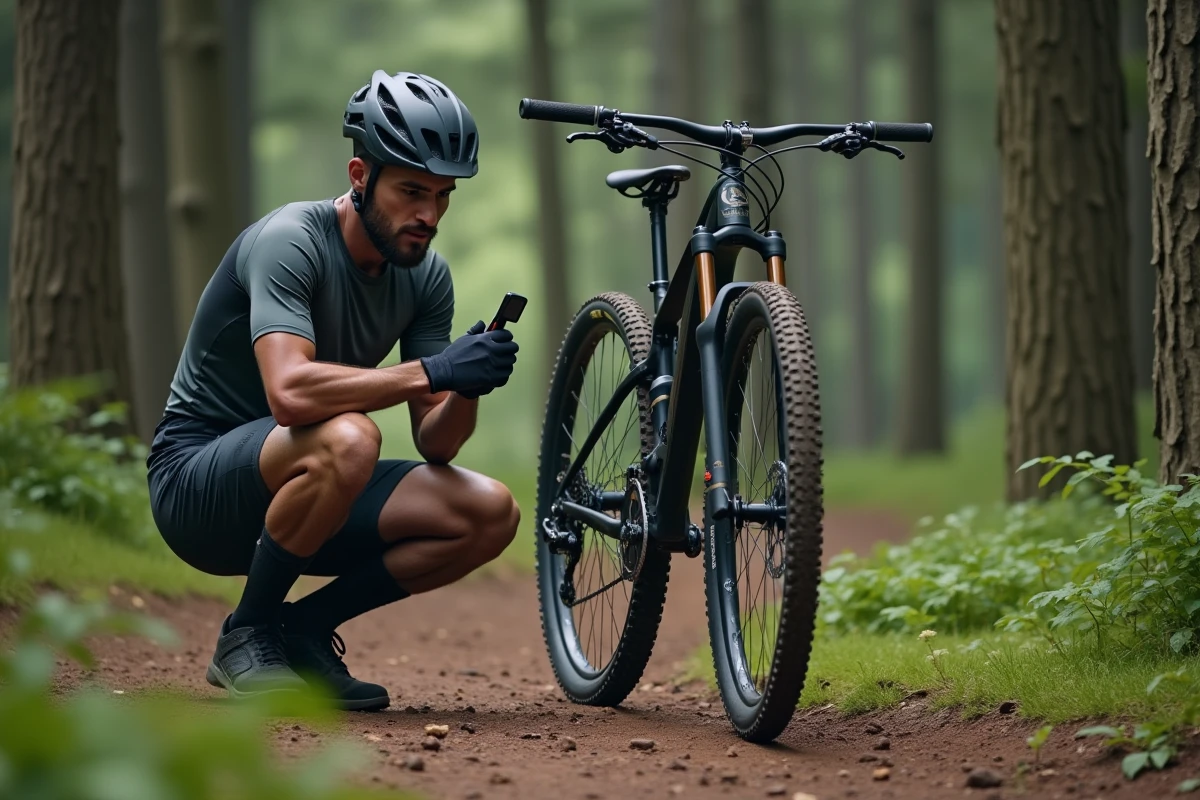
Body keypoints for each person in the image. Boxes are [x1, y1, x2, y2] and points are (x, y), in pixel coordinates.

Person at [146, 70, 521, 711]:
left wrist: (467, 384)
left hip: (313, 485)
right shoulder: (290, 241)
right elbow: (289, 394)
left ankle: (304, 631)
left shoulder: (425, 278)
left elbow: (437, 445)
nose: (428, 216)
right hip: (197, 487)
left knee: (489, 512)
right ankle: (248, 632)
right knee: (352, 437)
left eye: (442, 195)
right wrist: (432, 371)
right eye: (410, 191)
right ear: (359, 175)